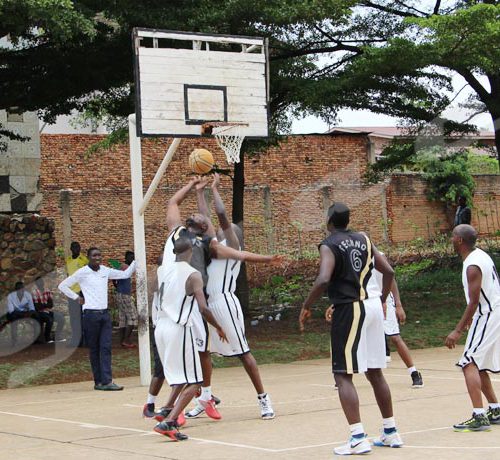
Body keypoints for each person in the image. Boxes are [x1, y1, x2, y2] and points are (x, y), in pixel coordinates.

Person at [157, 176, 281, 421]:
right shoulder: (202, 240)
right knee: (202, 352)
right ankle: (205, 397)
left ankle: (263, 398)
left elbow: (221, 217)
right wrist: (200, 192)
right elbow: (205, 218)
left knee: (243, 353)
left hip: (223, 303)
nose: (224, 228)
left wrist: (214, 189)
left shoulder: (227, 245)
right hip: (199, 304)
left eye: (230, 229)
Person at [299, 202, 403, 455]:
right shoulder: (365, 239)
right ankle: (391, 431)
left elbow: (324, 278)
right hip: (373, 308)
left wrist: (306, 305)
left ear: (329, 221)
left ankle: (358, 436)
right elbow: (388, 270)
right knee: (375, 371)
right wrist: (382, 299)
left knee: (342, 374)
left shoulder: (329, 244)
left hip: (350, 309)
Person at [153, 237, 228, 441]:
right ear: (191, 252)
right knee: (196, 380)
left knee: (182, 376)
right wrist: (219, 327)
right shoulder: (193, 275)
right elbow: (203, 308)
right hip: (179, 328)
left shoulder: (162, 270)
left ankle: (166, 409)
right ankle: (169, 422)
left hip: (160, 326)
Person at [445, 224, 500, 431]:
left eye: (453, 236)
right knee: (479, 363)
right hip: (493, 311)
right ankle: (495, 409)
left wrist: (458, 330)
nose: (451, 239)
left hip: (488, 314)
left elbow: (474, 301)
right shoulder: (480, 255)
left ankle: (479, 416)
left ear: (459, 240)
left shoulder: (472, 266)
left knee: (468, 362)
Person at [58, 247, 136, 391]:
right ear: (88, 257)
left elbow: (125, 274)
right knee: (94, 349)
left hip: (104, 314)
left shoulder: (105, 270)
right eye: (94, 255)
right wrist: (77, 298)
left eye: (99, 255)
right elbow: (63, 286)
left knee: (105, 347)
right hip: (90, 315)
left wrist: (137, 260)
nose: (97, 258)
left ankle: (107, 381)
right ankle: (98, 382)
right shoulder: (82, 272)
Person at [369, 269, 424, 388]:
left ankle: (414, 373)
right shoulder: (355, 255)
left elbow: (391, 277)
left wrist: (398, 305)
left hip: (384, 300)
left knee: (395, 337)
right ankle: (345, 375)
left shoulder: (379, 257)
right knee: (357, 336)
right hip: (366, 301)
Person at [143, 254, 168, 419]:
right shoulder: (159, 279)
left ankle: (203, 395)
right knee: (161, 370)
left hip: (172, 329)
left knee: (182, 368)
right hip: (160, 329)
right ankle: (150, 404)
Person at [65, 242, 88, 346]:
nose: (76, 249)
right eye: (74, 247)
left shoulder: (84, 260)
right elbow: (68, 276)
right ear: (71, 248)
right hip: (71, 293)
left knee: (82, 316)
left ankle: (84, 340)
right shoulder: (68, 260)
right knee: (73, 316)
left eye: (78, 247)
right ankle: (75, 340)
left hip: (81, 292)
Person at [113, 251, 138, 348]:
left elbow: (114, 279)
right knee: (133, 317)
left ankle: (122, 340)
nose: (132, 260)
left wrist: (117, 286)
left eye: (133, 258)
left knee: (123, 318)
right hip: (125, 295)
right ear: (126, 258)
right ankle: (126, 340)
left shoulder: (121, 266)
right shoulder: (126, 267)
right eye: (131, 257)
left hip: (120, 293)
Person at [32, 277, 65, 343]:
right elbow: (37, 307)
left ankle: (57, 336)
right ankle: (47, 338)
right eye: (38, 282)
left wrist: (43, 305)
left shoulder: (47, 291)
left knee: (61, 318)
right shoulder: (34, 293)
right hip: (39, 313)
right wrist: (46, 304)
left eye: (41, 281)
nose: (40, 283)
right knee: (49, 320)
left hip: (48, 311)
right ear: (36, 284)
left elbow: (51, 304)